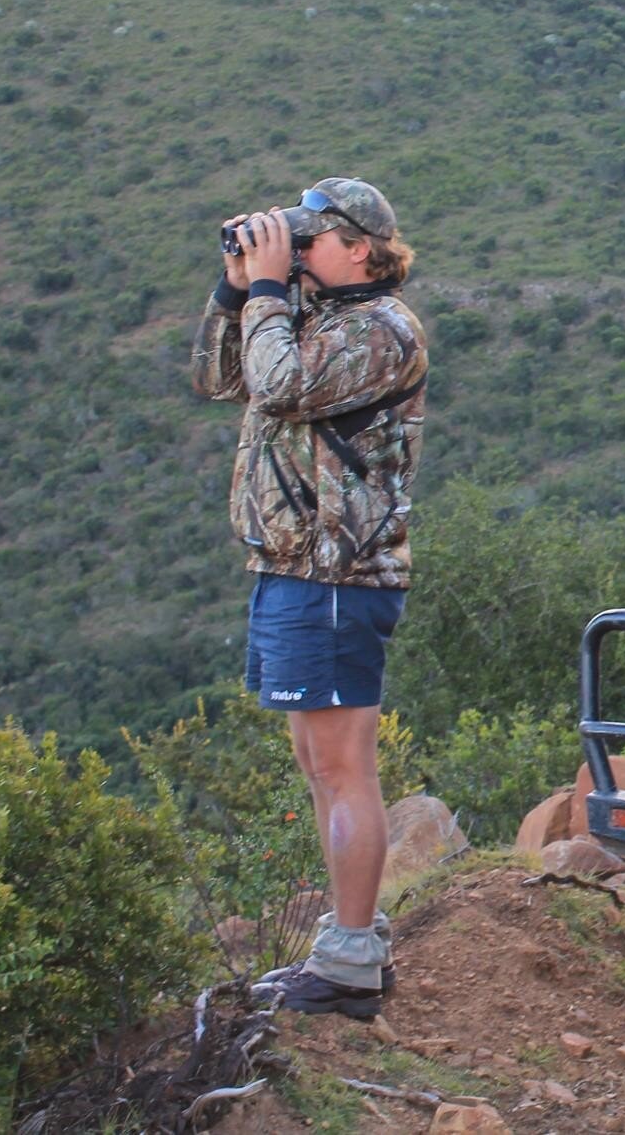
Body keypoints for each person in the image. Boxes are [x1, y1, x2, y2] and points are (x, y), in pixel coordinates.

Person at [192, 177, 427, 1019]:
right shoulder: (313, 317)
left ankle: (352, 959)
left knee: (340, 765)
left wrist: (264, 289)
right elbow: (222, 377)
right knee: (318, 766)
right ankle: (346, 943)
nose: (296, 249)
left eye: (312, 237)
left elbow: (282, 386)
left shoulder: (380, 330)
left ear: (361, 247)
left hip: (336, 575)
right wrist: (235, 289)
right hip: (293, 568)